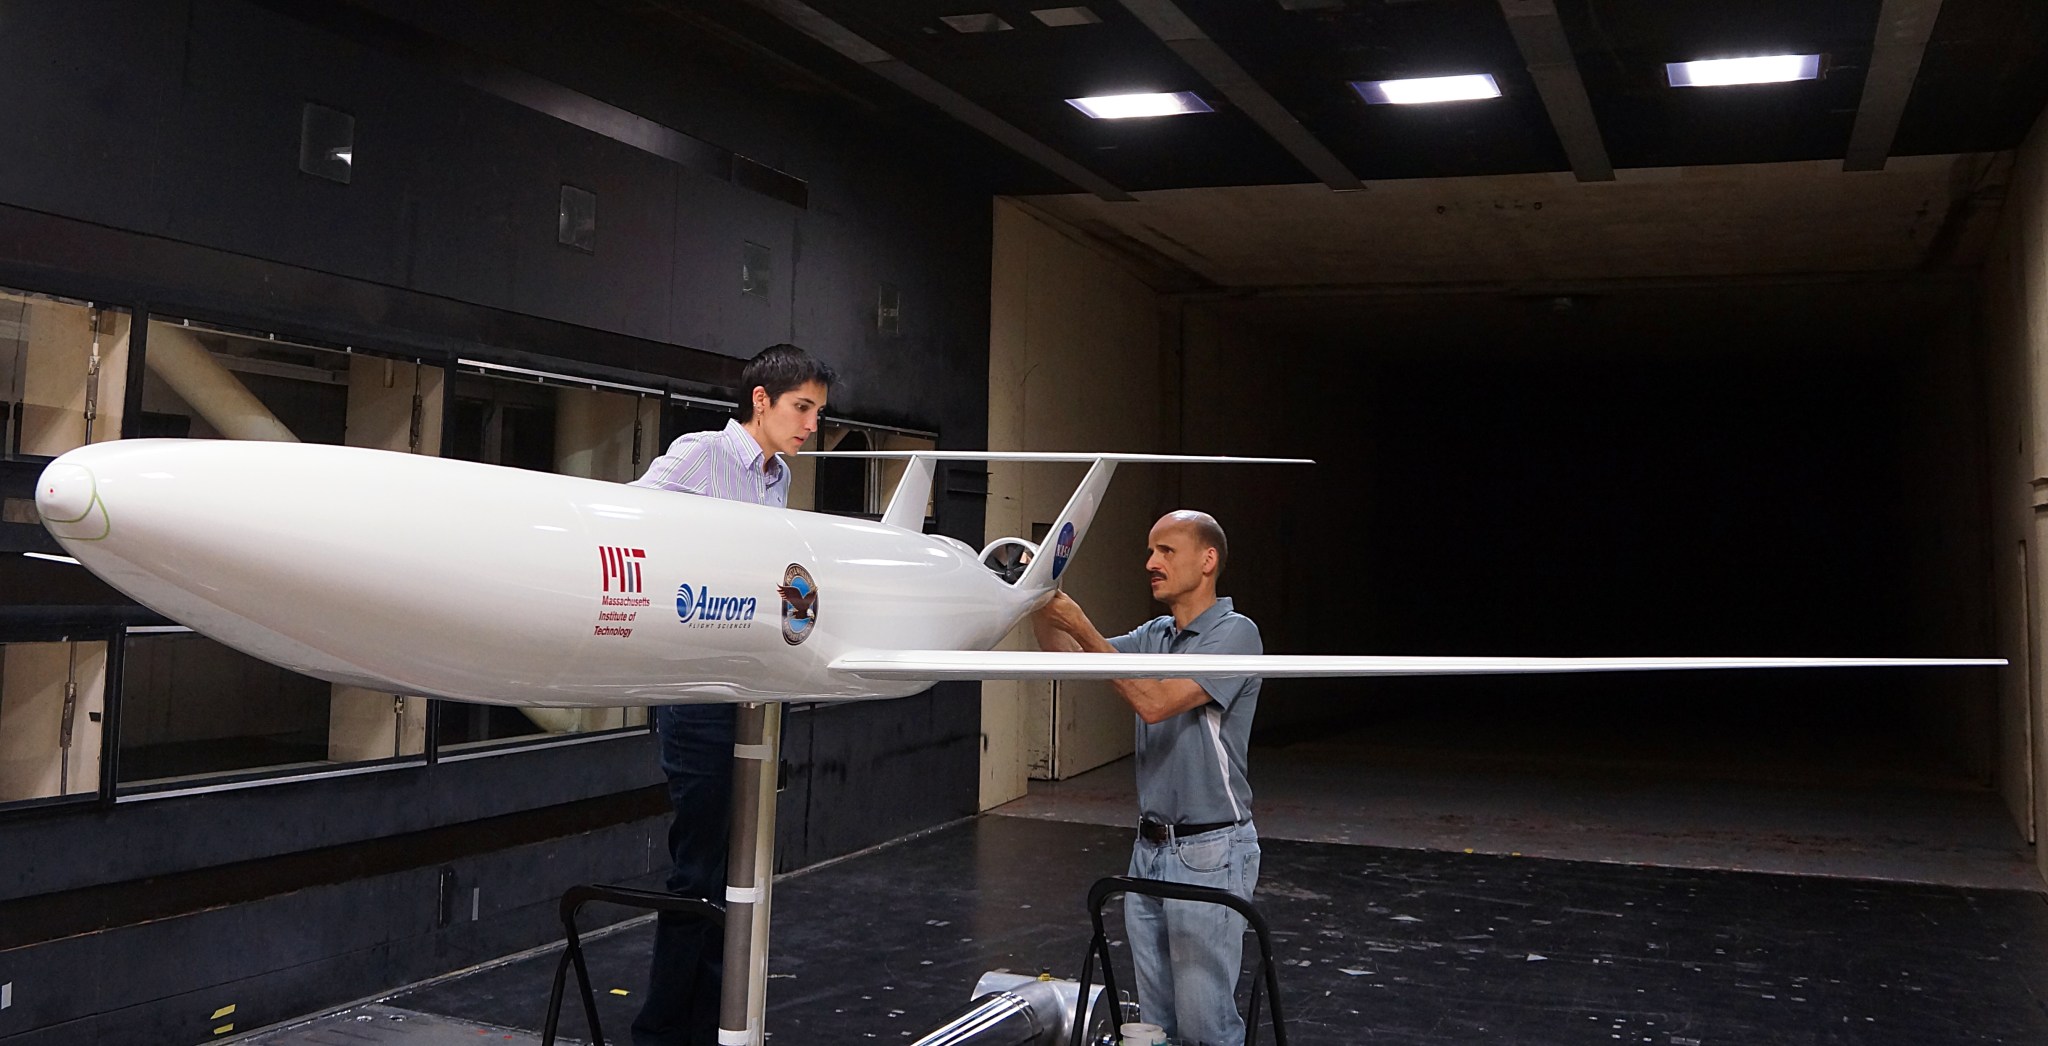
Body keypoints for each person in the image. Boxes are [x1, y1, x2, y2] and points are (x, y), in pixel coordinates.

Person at [628, 343, 832, 1046]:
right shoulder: (699, 457)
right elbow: (624, 524)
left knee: (738, 870)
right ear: (761, 401)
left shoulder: (776, 479)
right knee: (699, 869)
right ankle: (662, 1030)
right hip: (699, 698)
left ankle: (718, 1016)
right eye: (801, 409)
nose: (810, 425)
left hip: (752, 694)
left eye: (817, 413)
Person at [1033, 510, 1262, 1046]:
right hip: (1151, 846)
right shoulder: (1156, 635)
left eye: (1166, 551)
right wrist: (1041, 594)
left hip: (1210, 850)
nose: (1150, 563)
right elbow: (1065, 658)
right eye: (1150, 550)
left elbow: (1155, 702)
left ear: (1207, 561)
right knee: (1152, 1024)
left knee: (1205, 1024)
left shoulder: (1236, 635)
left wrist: (1082, 623)